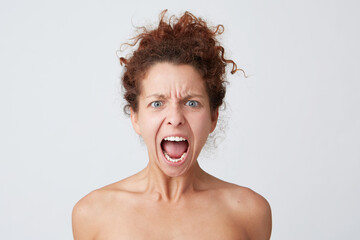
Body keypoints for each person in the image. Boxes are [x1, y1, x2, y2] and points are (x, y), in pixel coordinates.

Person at [72, 10, 272, 240]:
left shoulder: (249, 212)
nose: (175, 117)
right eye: (157, 103)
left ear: (213, 117)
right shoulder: (92, 214)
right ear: (135, 117)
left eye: (192, 103)